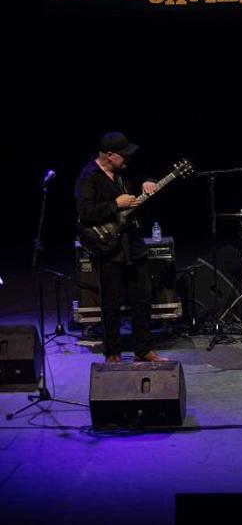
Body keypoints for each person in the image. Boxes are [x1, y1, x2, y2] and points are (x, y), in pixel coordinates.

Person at [75, 131, 166, 363]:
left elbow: (142, 176)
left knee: (142, 300)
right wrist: (115, 204)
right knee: (111, 303)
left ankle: (143, 349)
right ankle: (113, 352)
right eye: (123, 155)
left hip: (133, 243)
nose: (127, 159)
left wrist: (148, 181)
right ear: (109, 155)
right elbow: (85, 213)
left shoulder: (124, 170)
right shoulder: (89, 177)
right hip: (109, 248)